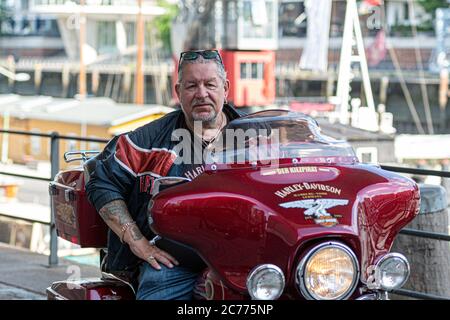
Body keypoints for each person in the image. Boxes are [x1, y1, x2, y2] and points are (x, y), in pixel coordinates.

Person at [86, 49, 245, 300]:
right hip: (173, 261)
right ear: (178, 92)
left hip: (241, 257)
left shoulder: (256, 139)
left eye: (210, 84)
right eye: (192, 86)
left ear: (225, 88)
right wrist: (138, 242)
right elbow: (101, 181)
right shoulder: (146, 141)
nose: (201, 93)